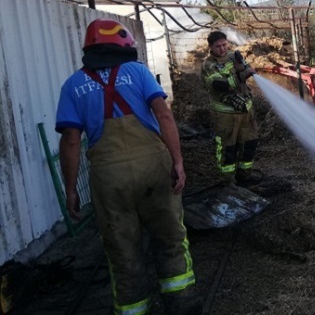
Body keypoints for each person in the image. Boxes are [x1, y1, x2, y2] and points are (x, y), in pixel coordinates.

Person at [55, 18, 200, 315]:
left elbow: (70, 140)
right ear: (124, 46)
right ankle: (182, 304)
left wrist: (69, 190)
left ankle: (134, 310)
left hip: (109, 178)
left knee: (122, 251)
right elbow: (164, 115)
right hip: (153, 169)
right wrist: (178, 162)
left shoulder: (72, 85)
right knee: (170, 237)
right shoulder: (137, 72)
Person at [201, 30, 259, 186]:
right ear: (211, 47)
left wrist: (243, 65)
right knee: (228, 148)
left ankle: (244, 177)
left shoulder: (233, 56)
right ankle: (228, 182)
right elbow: (220, 85)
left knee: (249, 143)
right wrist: (242, 75)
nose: (222, 49)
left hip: (245, 111)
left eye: (224, 45)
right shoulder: (209, 65)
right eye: (218, 46)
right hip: (225, 115)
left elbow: (245, 69)